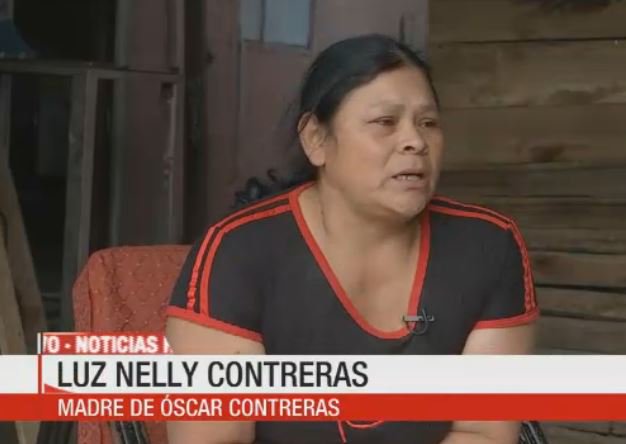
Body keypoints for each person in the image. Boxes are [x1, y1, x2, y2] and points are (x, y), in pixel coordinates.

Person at [165, 34, 539, 444]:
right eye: (385, 122)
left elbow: (483, 430)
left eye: (428, 123)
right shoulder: (238, 252)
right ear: (316, 139)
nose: (416, 141)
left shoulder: (487, 246)